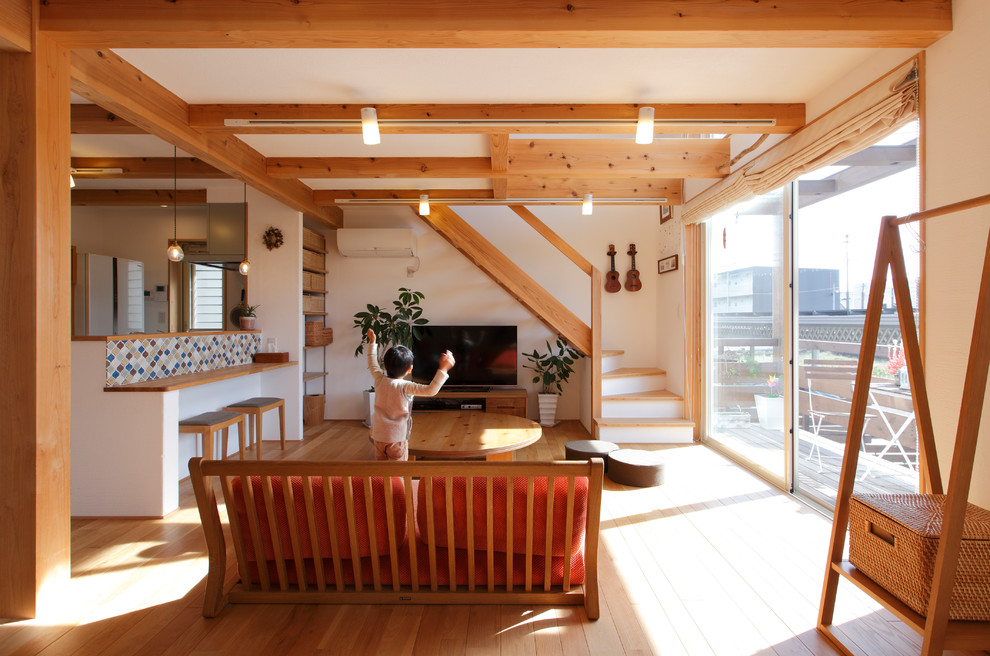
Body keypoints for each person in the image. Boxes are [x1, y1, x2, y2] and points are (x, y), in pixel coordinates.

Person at [366, 328, 455, 461]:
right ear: (409, 369)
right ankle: (398, 482)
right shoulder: (406, 387)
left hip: (378, 436)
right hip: (396, 438)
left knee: (383, 471)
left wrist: (373, 343)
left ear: (385, 365)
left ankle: (384, 483)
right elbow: (431, 390)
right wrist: (443, 369)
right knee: (398, 472)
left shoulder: (379, 379)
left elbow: (372, 363)